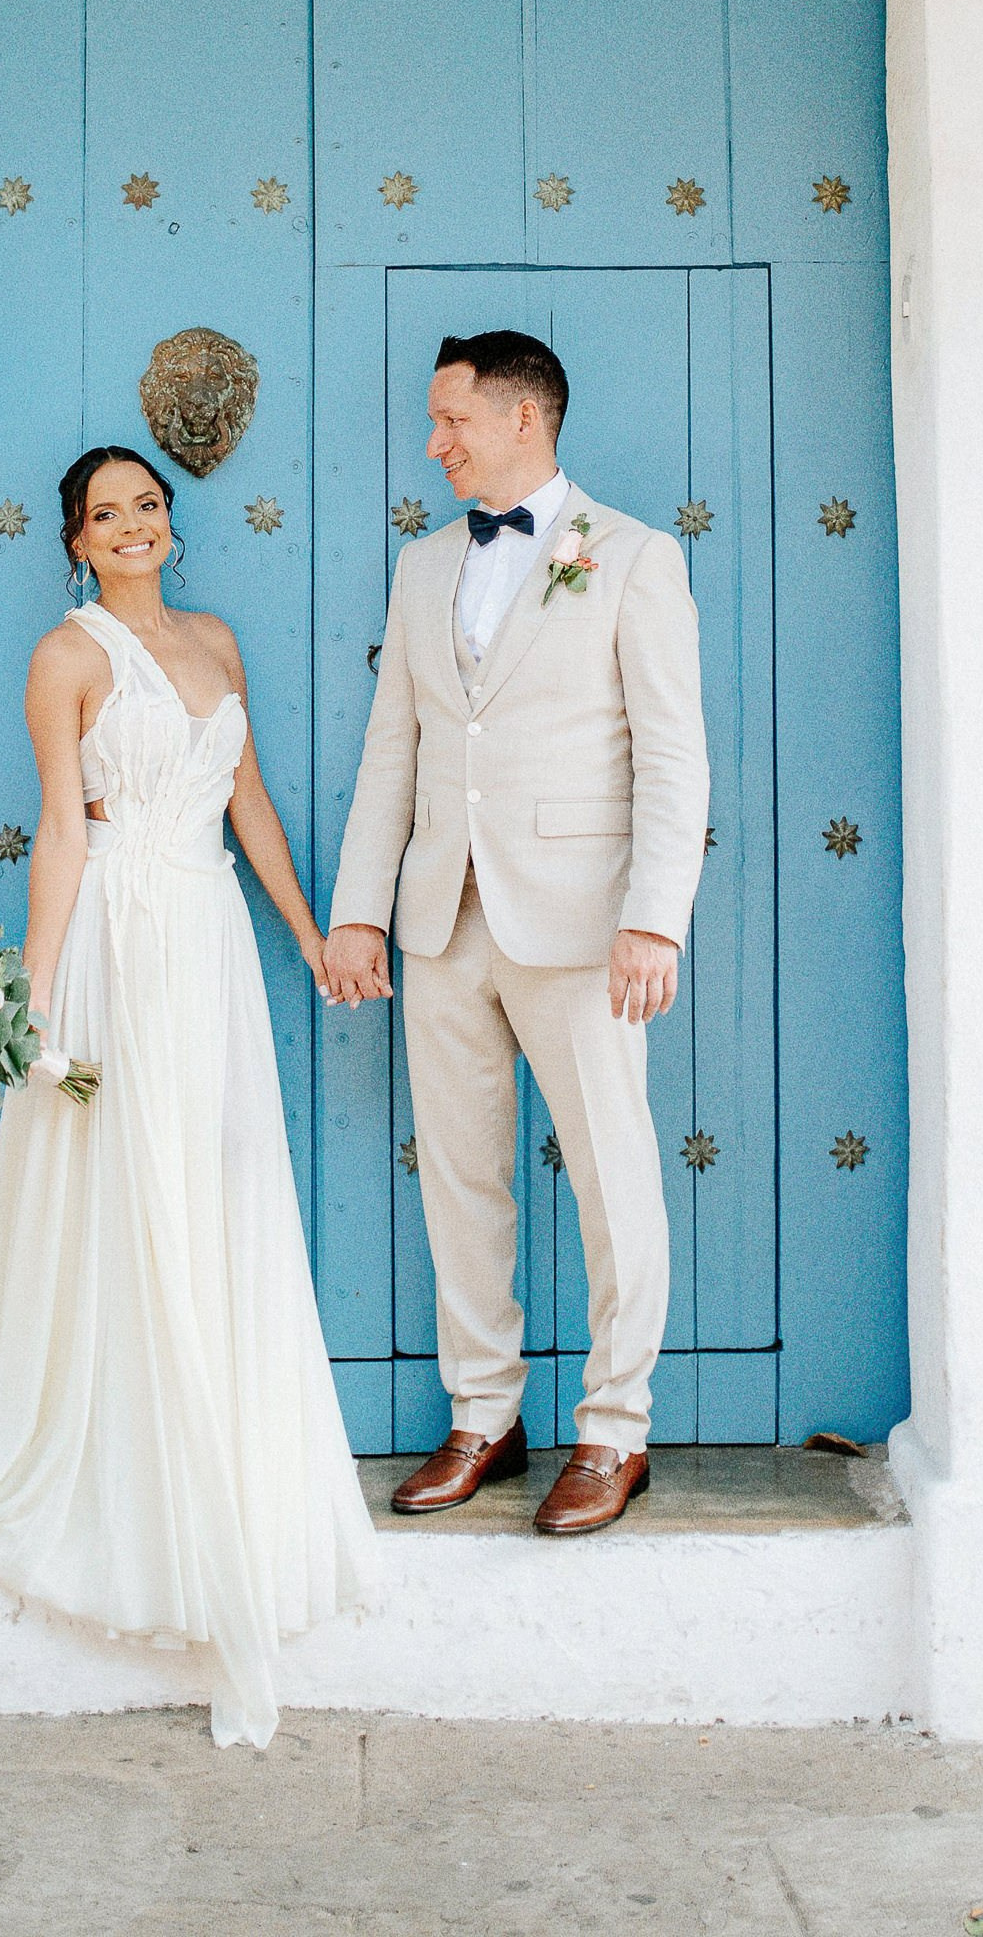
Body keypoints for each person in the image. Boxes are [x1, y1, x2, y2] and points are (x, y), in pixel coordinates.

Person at [0, 445, 377, 1749]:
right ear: (76, 540)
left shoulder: (213, 638)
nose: (131, 527)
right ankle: (140, 1488)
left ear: (168, 517)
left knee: (213, 1188)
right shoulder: (67, 655)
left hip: (206, 939)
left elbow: (247, 799)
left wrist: (309, 932)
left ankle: (228, 1458)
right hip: (120, 937)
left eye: (145, 506)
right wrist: (32, 1000)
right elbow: (61, 826)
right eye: (105, 515)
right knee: (135, 1184)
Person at [327, 331, 710, 1535]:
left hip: (583, 926)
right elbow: (395, 744)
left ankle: (613, 1430)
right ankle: (481, 1415)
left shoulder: (633, 559)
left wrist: (653, 918)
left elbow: (673, 753)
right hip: (444, 919)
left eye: (450, 420)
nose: (432, 441)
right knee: (459, 1179)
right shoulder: (422, 563)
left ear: (521, 419)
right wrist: (358, 909)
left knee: (611, 1175)